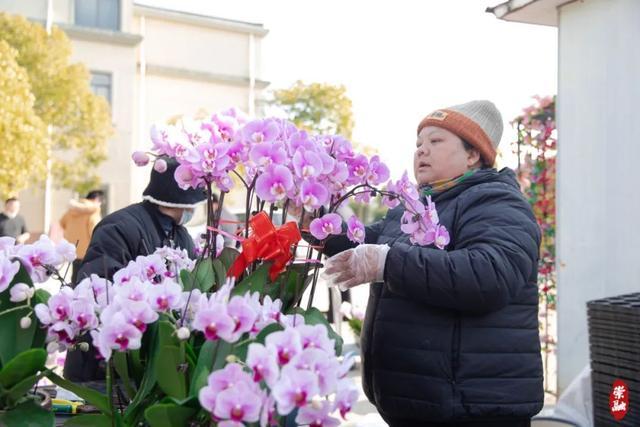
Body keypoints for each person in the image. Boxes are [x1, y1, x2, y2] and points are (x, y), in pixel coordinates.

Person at [323, 100, 543, 426]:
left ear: (473, 155)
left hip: (472, 408)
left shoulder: (496, 201)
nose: (421, 151)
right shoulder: (410, 207)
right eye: (418, 144)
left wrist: (388, 262)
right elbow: (359, 242)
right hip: (417, 405)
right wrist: (316, 216)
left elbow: (490, 275)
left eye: (435, 141)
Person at [63, 157, 206, 382]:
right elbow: (99, 289)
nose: (193, 209)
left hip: (147, 360)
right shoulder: (118, 227)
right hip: (103, 365)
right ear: (181, 199)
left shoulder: (182, 236)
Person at [59, 190, 104, 284]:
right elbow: (95, 230)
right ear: (97, 200)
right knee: (87, 281)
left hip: (73, 250)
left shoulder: (72, 210)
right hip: (88, 251)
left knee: (75, 278)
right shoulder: (93, 211)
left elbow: (62, 222)